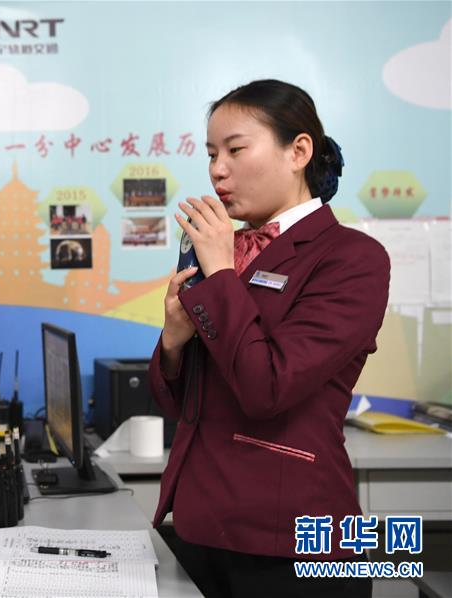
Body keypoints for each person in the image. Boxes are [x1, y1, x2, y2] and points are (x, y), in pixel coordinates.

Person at [149, 79, 390, 598]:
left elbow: (267, 388)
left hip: (293, 541)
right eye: (211, 154)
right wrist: (172, 343)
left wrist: (221, 277)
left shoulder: (352, 258)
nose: (217, 169)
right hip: (199, 525)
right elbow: (179, 404)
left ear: (298, 151)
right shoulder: (221, 250)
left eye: (235, 150)